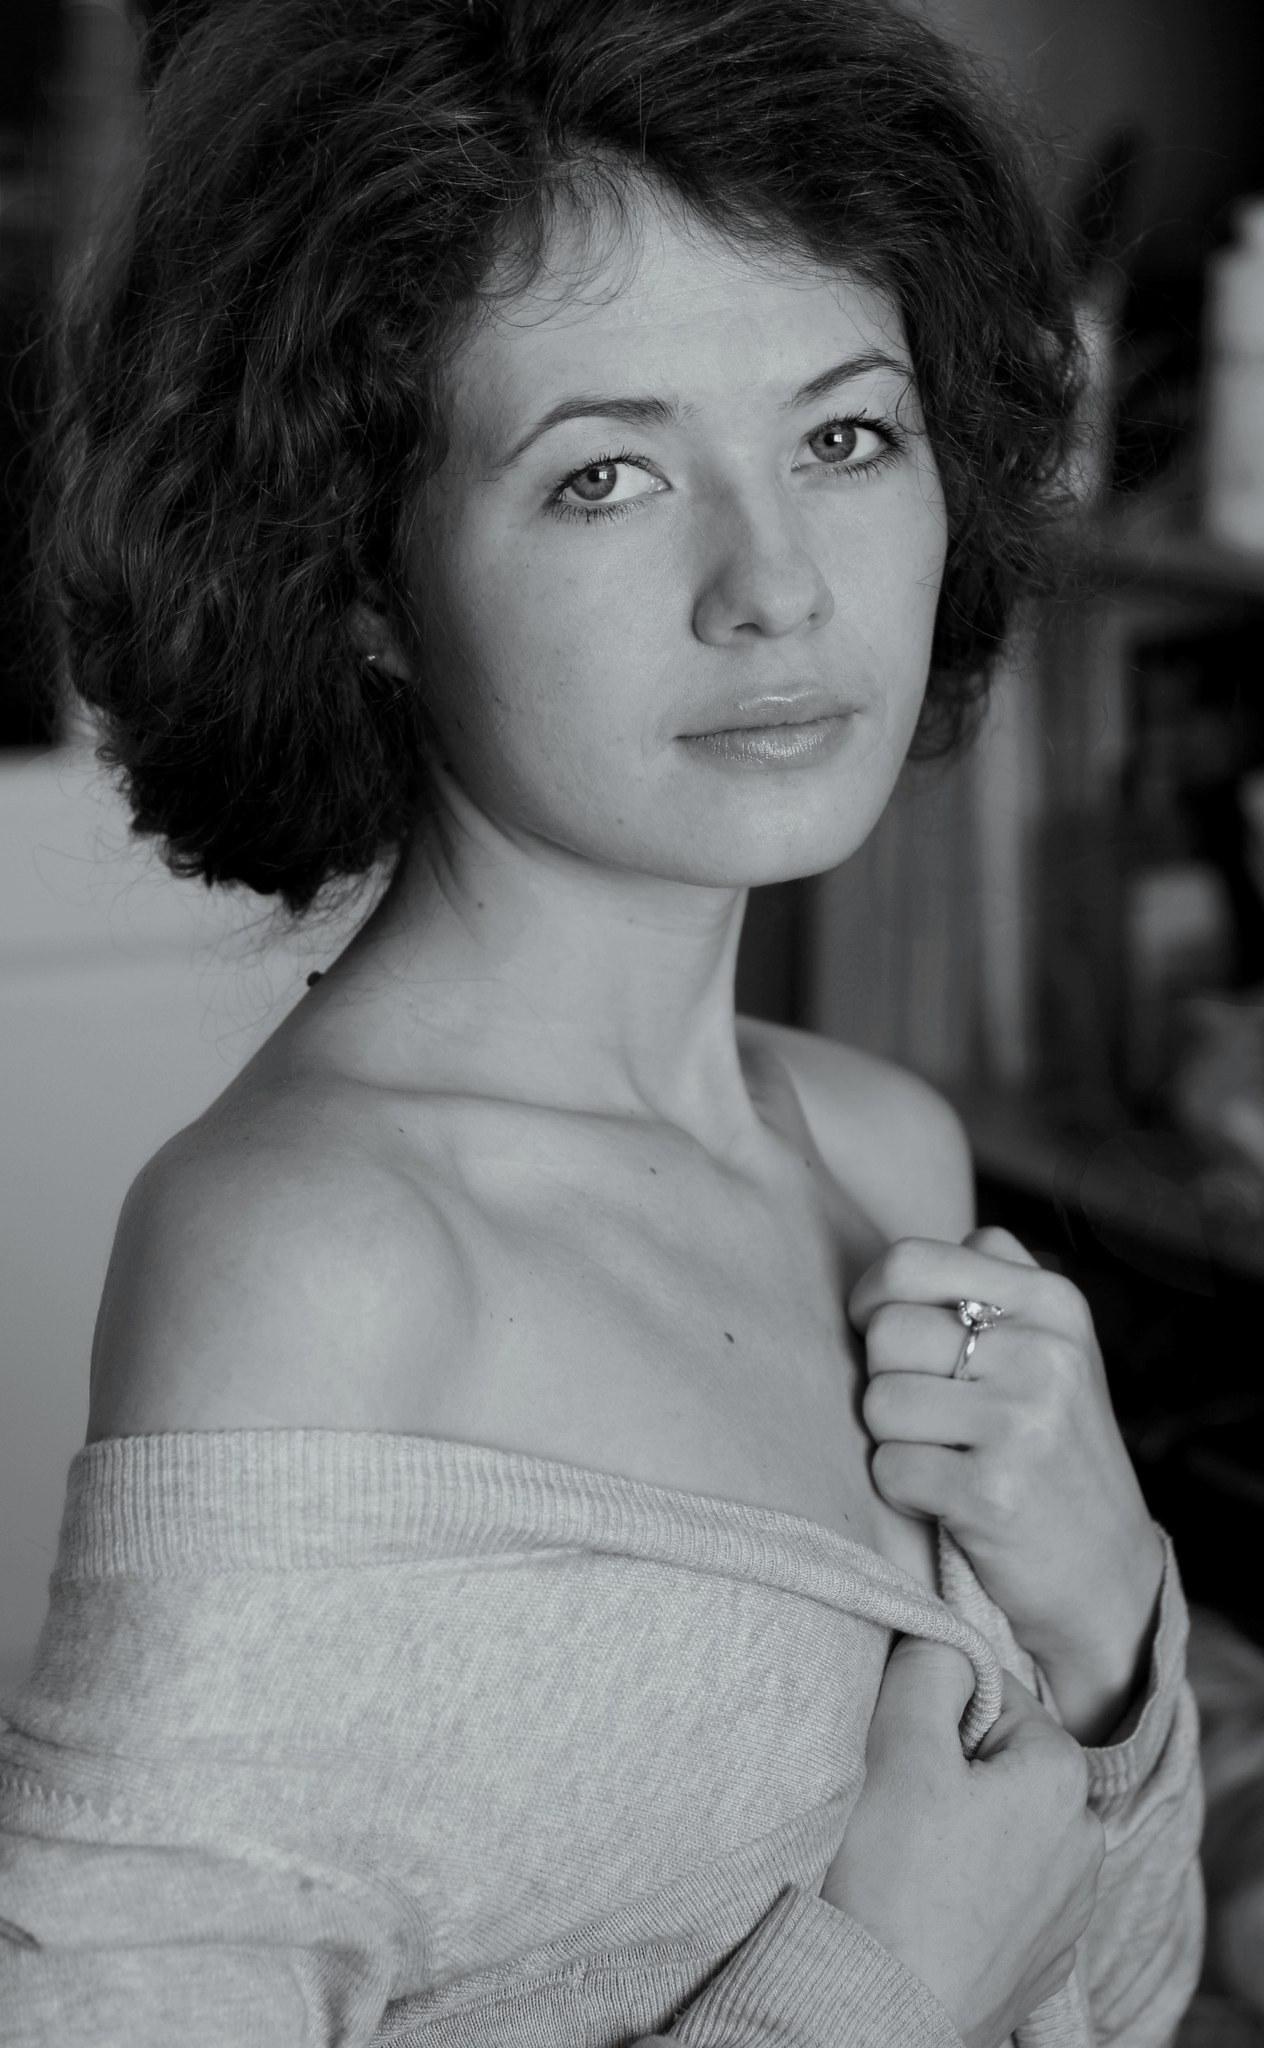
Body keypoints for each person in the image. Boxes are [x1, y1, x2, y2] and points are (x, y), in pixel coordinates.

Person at [0, 0, 1202, 2043]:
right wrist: (885, 1980)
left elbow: (1113, 1993)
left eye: (844, 437)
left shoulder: (880, 1153)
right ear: (359, 573)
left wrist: (1107, 1635)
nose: (774, 586)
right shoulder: (320, 1262)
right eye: (606, 476)